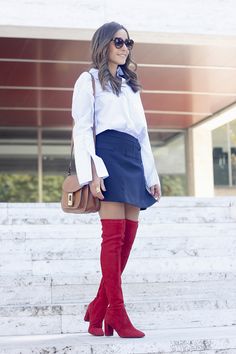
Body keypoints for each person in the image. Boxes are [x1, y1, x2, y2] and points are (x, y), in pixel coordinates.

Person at [71, 21, 161, 338]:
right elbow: (82, 129)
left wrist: (151, 175)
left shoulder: (130, 85)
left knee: (127, 242)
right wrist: (93, 172)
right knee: (113, 239)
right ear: (104, 44)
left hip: (133, 158)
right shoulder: (89, 80)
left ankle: (99, 310)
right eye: (119, 42)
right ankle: (117, 314)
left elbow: (143, 133)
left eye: (128, 42)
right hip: (107, 157)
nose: (125, 48)